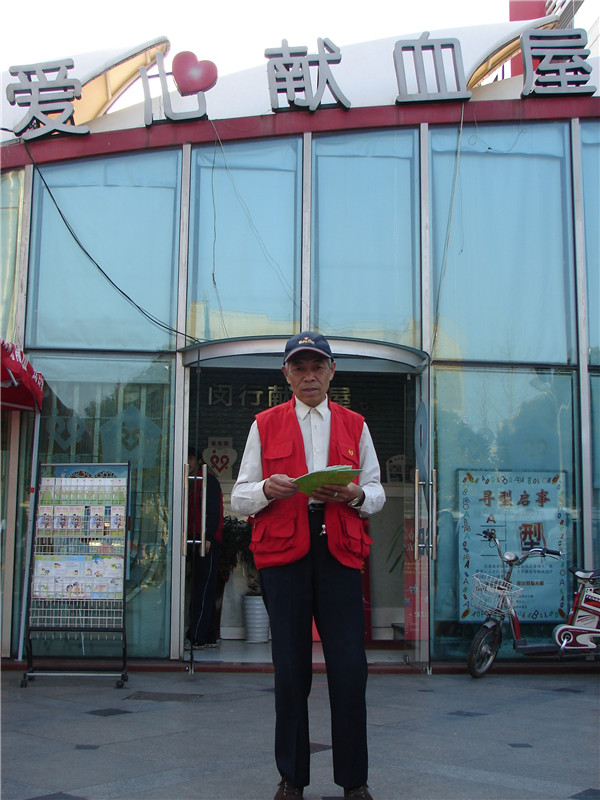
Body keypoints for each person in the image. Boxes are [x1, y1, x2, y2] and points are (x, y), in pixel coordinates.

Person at [231, 331, 386, 800]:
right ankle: (292, 778)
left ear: (332, 371)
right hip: (285, 555)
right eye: (299, 367)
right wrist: (266, 489)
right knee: (290, 668)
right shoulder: (265, 424)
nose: (309, 375)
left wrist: (355, 495)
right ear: (286, 374)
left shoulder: (355, 424)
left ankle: (355, 781)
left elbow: (376, 491)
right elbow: (239, 496)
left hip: (339, 552)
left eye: (317, 366)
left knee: (349, 668)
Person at [186, 447, 223, 649]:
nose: (188, 462)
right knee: (202, 587)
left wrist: (208, 537)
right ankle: (206, 634)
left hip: (206, 541)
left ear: (199, 460)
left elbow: (213, 510)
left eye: (191, 458)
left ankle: (198, 635)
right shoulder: (191, 481)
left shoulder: (207, 480)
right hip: (194, 538)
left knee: (203, 587)